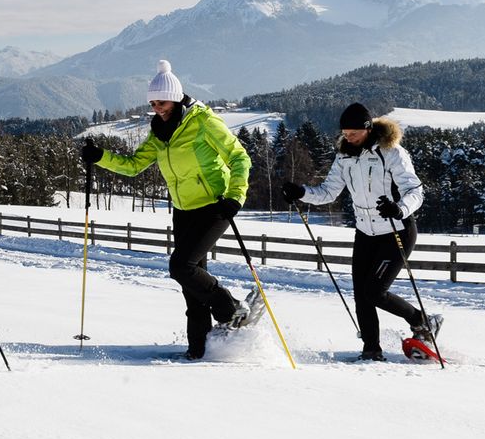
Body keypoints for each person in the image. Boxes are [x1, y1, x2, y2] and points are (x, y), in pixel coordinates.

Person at [81, 60, 253, 360]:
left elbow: (239, 157)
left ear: (175, 97)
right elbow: (135, 166)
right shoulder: (160, 132)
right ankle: (198, 349)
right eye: (152, 103)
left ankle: (231, 307)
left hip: (215, 205)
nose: (156, 108)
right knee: (191, 285)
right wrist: (100, 157)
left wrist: (235, 196)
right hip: (183, 208)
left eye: (160, 102)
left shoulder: (203, 123)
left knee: (181, 267)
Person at [281, 102, 439, 362]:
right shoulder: (344, 156)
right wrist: (303, 193)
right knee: (361, 294)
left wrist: (399, 209)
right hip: (365, 232)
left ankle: (421, 321)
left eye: (353, 133)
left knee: (375, 291)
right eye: (344, 133)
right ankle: (371, 350)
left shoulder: (391, 153)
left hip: (396, 229)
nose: (348, 137)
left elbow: (415, 192)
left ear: (367, 129)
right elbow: (328, 192)